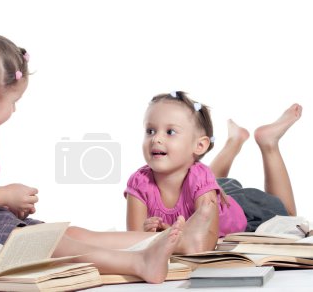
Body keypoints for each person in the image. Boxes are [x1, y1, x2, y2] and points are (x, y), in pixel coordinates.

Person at [0, 32, 218, 284]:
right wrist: (3, 194)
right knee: (51, 244)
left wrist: (2, 204)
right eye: (14, 102)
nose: (13, 111)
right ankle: (138, 261)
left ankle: (181, 242)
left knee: (68, 233)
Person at [125, 91, 301, 251]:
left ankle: (268, 143)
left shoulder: (200, 177)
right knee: (204, 181)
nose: (156, 138)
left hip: (241, 209)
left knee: (290, 217)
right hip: (208, 191)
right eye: (150, 130)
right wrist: (149, 233)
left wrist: (166, 237)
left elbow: (205, 242)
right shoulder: (139, 182)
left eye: (170, 131)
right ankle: (234, 140)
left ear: (200, 145)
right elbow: (134, 242)